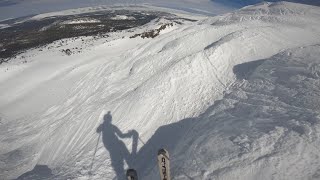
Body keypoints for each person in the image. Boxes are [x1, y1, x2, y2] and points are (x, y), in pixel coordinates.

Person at [96, 111, 138, 179]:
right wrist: (130, 134)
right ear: (110, 119)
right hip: (119, 146)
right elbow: (121, 135)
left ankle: (123, 176)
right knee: (128, 159)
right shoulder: (112, 127)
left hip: (112, 150)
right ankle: (132, 167)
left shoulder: (103, 127)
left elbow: (97, 130)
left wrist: (101, 126)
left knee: (118, 167)